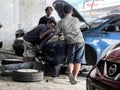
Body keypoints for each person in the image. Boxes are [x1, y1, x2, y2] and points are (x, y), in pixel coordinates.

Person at [54, 5, 86, 84]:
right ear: (72, 12)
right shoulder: (76, 19)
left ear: (63, 12)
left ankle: (70, 72)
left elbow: (56, 32)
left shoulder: (61, 21)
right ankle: (74, 77)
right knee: (78, 60)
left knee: (71, 60)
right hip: (80, 41)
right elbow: (80, 26)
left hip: (70, 42)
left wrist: (61, 31)